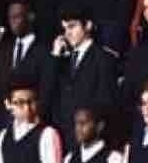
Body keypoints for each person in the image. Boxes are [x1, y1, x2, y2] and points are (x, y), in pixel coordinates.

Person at [46, 9, 121, 139]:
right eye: (65, 29)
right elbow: (48, 92)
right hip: (63, 134)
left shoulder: (104, 58)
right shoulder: (62, 60)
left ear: (88, 25)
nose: (67, 33)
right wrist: (55, 56)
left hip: (89, 135)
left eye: (72, 26)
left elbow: (106, 102)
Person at [0, 0, 48, 123]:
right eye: (10, 18)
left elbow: (45, 88)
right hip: (4, 120)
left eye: (17, 16)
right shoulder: (5, 49)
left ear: (30, 17)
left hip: (32, 119)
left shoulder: (43, 51)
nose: (13, 22)